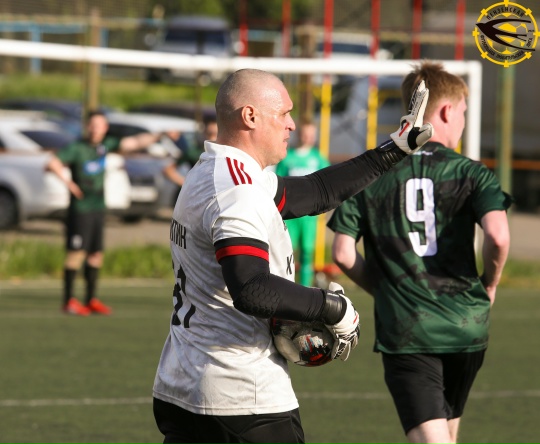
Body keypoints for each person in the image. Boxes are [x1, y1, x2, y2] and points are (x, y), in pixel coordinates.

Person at [151, 68, 433, 444]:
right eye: (283, 113)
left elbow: (316, 192)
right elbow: (251, 288)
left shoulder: (215, 171)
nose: (291, 125)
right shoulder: (238, 189)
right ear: (250, 116)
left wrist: (392, 150)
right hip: (240, 397)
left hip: (184, 387)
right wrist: (333, 308)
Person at [327, 61, 511, 444]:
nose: (462, 122)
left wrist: (387, 290)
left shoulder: (372, 172)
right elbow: (498, 236)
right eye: (463, 113)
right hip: (467, 325)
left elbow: (342, 252)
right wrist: (490, 284)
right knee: (446, 434)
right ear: (446, 110)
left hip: (409, 328)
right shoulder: (473, 172)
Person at [46, 110, 175, 316]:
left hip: (98, 208)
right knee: (76, 253)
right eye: (92, 125)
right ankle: (68, 300)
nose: (95, 129)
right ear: (87, 127)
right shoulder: (77, 147)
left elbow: (134, 142)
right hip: (80, 210)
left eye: (100, 126)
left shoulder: (104, 146)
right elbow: (52, 163)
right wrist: (70, 184)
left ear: (105, 128)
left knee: (95, 254)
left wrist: (160, 134)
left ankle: (90, 299)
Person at [275, 122, 330, 286]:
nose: (308, 138)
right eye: (305, 134)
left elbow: (328, 183)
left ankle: (305, 287)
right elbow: (278, 184)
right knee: (287, 252)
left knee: (307, 251)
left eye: (312, 135)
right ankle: (286, 286)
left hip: (310, 216)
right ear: (299, 134)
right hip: (290, 214)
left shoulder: (318, 158)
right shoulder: (287, 157)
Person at [162, 117, 218, 189]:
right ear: (204, 133)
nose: (213, 138)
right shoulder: (194, 152)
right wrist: (187, 184)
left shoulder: (225, 154)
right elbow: (168, 170)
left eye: (216, 134)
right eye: (209, 134)